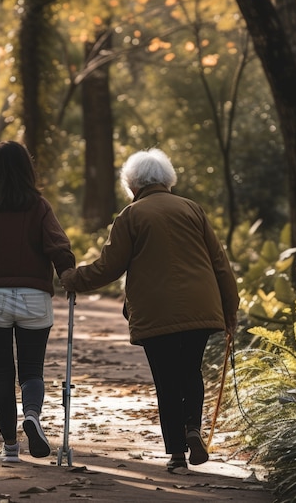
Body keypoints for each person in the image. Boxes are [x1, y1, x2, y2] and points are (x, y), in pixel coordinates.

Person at [60, 148, 239, 472]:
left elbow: (109, 267)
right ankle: (192, 429)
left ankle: (176, 455)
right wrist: (231, 311)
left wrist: (73, 279)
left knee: (167, 380)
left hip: (157, 312)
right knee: (190, 372)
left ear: (132, 183)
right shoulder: (192, 210)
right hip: (201, 305)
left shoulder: (132, 215)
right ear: (167, 179)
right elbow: (220, 265)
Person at [0, 141, 75, 463]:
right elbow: (58, 246)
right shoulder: (39, 206)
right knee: (32, 370)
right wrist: (68, 275)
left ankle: (10, 448)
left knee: (2, 373)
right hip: (34, 296)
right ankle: (32, 415)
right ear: (27, 170)